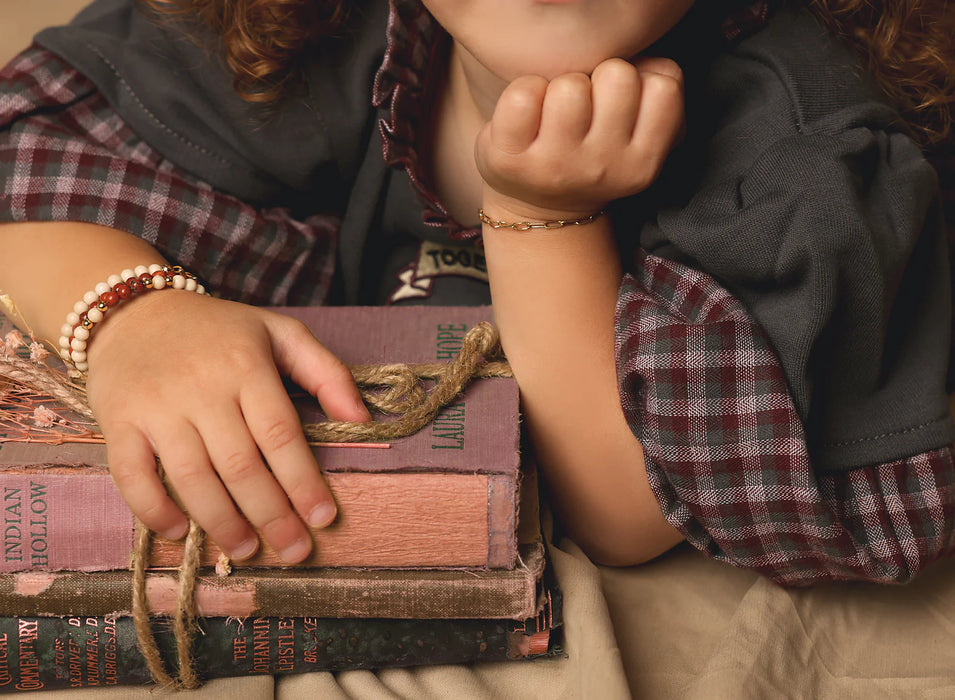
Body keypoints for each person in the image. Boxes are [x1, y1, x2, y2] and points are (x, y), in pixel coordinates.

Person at [0, 0, 952, 585]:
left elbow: (625, 517)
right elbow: (30, 181)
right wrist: (133, 312)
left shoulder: (801, 152)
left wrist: (539, 211)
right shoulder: (301, 26)